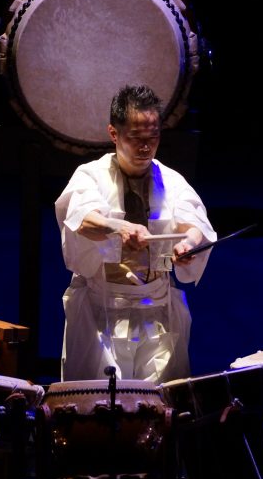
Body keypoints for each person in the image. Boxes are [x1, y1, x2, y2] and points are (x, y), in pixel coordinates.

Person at [54, 83, 217, 384]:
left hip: (158, 313)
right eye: (136, 138)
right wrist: (120, 227)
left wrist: (187, 247)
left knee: (158, 407)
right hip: (102, 313)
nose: (145, 148)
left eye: (152, 138)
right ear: (114, 134)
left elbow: (195, 226)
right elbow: (81, 219)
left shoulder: (171, 180)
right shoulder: (90, 175)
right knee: (101, 406)